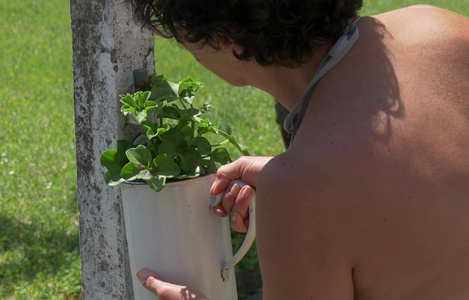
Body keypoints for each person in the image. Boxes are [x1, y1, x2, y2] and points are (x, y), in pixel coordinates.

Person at [131, 0, 469, 298]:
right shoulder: (438, 26)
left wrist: (302, 186)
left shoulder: (302, 193)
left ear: (225, 37)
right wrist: (312, 180)